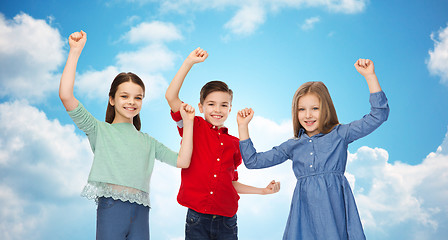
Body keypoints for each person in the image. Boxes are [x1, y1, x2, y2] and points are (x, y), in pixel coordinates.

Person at [59, 30, 195, 240]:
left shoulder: (148, 142)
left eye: (137, 97)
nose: (131, 102)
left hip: (141, 212)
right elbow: (66, 96)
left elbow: (183, 161)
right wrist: (75, 52)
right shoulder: (99, 130)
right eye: (124, 96)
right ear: (112, 99)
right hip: (112, 208)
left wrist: (188, 123)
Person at [237, 59, 389, 240]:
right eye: (302, 109)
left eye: (315, 108)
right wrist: (243, 127)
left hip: (335, 211)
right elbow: (253, 162)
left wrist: (370, 76)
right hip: (304, 215)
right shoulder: (292, 145)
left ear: (326, 108)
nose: (308, 115)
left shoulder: (340, 134)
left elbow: (379, 115)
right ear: (295, 112)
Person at [165, 48, 281, 240]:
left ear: (230, 108)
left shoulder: (235, 144)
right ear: (201, 107)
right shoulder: (192, 124)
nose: (217, 109)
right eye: (211, 104)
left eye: (223, 105)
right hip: (197, 218)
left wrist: (263, 191)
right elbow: (171, 97)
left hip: (227, 220)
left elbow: (230, 183)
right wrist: (189, 62)